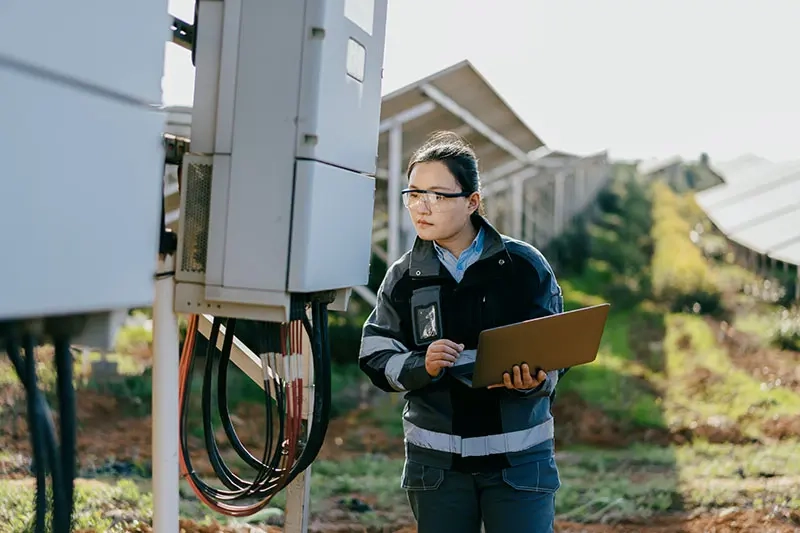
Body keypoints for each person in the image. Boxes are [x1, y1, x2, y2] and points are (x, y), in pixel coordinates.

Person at [358, 131, 568, 533]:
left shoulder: (524, 266)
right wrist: (422, 364)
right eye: (414, 194)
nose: (422, 207)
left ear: (472, 201)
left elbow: (555, 347)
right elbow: (374, 353)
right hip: (437, 469)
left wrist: (532, 381)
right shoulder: (403, 277)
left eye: (437, 195)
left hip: (519, 463)